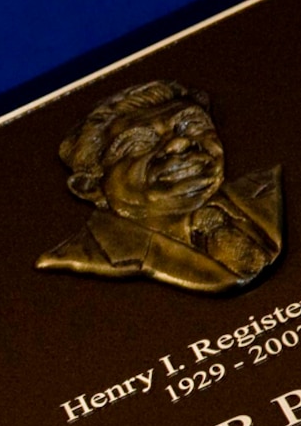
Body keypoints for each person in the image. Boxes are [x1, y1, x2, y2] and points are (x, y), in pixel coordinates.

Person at [36, 79, 283, 292]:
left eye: (191, 125)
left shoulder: (268, 188)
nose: (178, 144)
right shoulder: (82, 256)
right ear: (90, 187)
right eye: (139, 143)